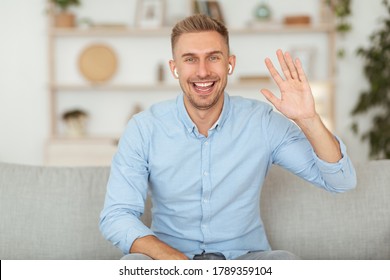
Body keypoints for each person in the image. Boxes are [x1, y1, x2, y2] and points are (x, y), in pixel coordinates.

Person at [99, 14, 356, 260]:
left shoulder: (261, 122)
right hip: (169, 260)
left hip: (246, 260)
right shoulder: (144, 128)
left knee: (285, 262)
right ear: (174, 68)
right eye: (190, 59)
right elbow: (117, 215)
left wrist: (308, 119)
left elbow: (341, 181)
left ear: (229, 64)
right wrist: (172, 259)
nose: (202, 71)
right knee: (132, 265)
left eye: (213, 57)